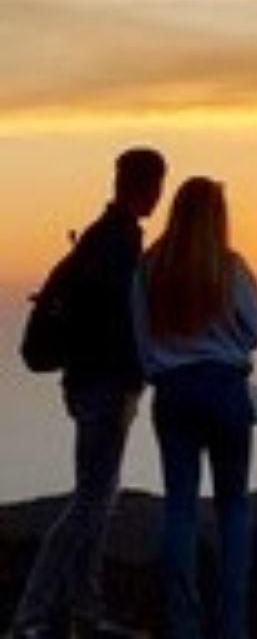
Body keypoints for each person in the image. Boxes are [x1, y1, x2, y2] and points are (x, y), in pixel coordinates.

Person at [9, 147, 167, 639]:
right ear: (150, 186)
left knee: (98, 498)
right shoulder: (118, 244)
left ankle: (84, 609)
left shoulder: (103, 238)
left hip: (89, 384)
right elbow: (121, 323)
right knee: (91, 502)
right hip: (106, 386)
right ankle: (31, 616)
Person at [129, 178, 257, 639]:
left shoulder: (149, 267)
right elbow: (256, 327)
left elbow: (141, 337)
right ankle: (233, 624)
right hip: (226, 390)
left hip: (173, 393)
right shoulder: (229, 268)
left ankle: (182, 622)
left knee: (180, 509)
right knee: (233, 508)